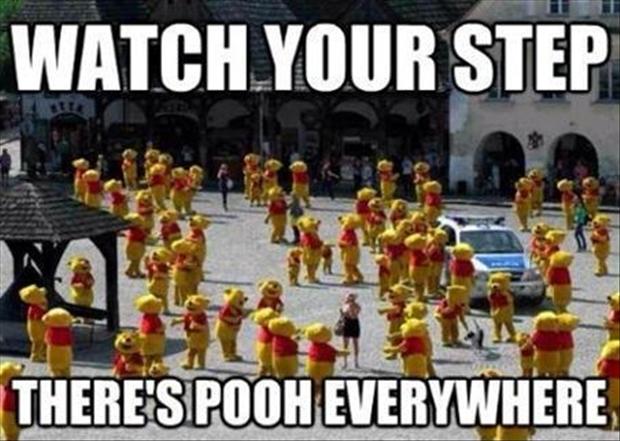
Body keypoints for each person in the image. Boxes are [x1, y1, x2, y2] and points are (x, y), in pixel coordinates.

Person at [340, 293, 361, 369]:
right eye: (348, 298)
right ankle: (345, 362)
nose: (349, 299)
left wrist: (351, 308)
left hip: (354, 323)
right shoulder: (344, 305)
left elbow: (353, 316)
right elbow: (343, 315)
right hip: (346, 323)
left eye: (351, 298)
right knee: (345, 344)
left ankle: (356, 361)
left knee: (355, 343)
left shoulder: (357, 306)